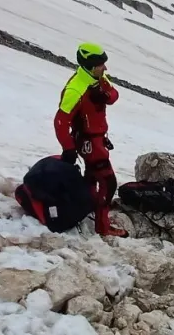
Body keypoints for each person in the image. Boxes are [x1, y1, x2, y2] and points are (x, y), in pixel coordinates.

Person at [53, 42, 127, 237]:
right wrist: (68, 148)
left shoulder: (97, 78)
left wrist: (102, 94)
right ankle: (103, 226)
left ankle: (86, 208)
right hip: (88, 142)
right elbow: (60, 121)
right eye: (101, 64)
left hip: (98, 139)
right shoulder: (75, 90)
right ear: (90, 65)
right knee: (109, 182)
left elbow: (114, 95)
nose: (105, 68)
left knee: (91, 177)